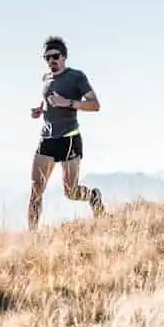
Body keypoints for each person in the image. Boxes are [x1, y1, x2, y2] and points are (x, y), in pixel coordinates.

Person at [28, 36, 104, 230]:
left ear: (64, 56)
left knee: (71, 192)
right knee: (36, 190)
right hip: (47, 139)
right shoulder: (45, 78)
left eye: (55, 56)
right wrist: (40, 110)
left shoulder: (76, 77)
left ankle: (93, 196)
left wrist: (68, 103)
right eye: (47, 57)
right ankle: (32, 240)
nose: (51, 61)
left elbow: (95, 105)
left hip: (69, 138)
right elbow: (46, 99)